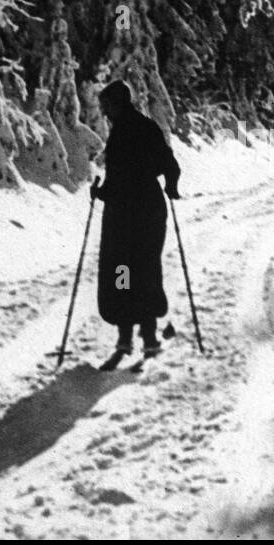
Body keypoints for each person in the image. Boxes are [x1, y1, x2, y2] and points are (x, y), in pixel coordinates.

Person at [93, 80, 180, 366]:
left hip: (124, 215)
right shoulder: (147, 126)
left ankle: (126, 337)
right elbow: (169, 163)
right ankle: (149, 338)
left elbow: (119, 177)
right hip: (148, 210)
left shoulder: (121, 132)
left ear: (116, 103)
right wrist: (170, 186)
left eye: (106, 105)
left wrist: (101, 193)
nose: (105, 112)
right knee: (146, 270)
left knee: (123, 272)